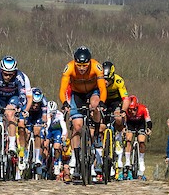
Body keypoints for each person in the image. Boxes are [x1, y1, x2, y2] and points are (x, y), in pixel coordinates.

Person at [59, 46, 107, 178]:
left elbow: (102, 88)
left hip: (93, 92)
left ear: (89, 62)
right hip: (77, 95)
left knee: (95, 104)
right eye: (79, 65)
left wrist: (102, 102)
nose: (81, 68)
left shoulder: (96, 67)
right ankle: (75, 156)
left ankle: (96, 127)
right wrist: (64, 102)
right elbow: (62, 89)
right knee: (77, 126)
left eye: (85, 65)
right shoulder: (69, 68)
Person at [0, 55, 33, 180]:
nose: (8, 77)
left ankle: (12, 144)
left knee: (9, 114)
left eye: (10, 74)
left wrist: (22, 109)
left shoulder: (21, 77)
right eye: (5, 74)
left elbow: (24, 95)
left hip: (13, 98)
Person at [123, 95, 152, 180]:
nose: (132, 112)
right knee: (128, 139)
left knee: (141, 140)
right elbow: (123, 121)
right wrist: (124, 129)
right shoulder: (126, 110)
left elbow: (148, 121)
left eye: (134, 109)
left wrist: (149, 129)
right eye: (130, 110)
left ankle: (141, 159)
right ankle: (128, 160)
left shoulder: (143, 108)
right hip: (130, 124)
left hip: (140, 124)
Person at [43, 100, 69, 179]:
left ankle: (57, 163)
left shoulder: (59, 114)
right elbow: (47, 126)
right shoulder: (46, 114)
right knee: (45, 145)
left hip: (57, 130)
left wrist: (64, 135)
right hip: (49, 130)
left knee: (57, 147)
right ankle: (44, 163)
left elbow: (63, 125)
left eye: (53, 112)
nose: (52, 114)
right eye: (50, 112)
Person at [25, 88, 48, 173]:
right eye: (34, 103)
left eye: (37, 104)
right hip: (28, 114)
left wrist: (44, 123)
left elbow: (44, 116)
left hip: (38, 115)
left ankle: (37, 157)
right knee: (26, 133)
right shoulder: (27, 98)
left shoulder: (44, 101)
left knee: (37, 132)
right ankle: (25, 152)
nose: (35, 106)